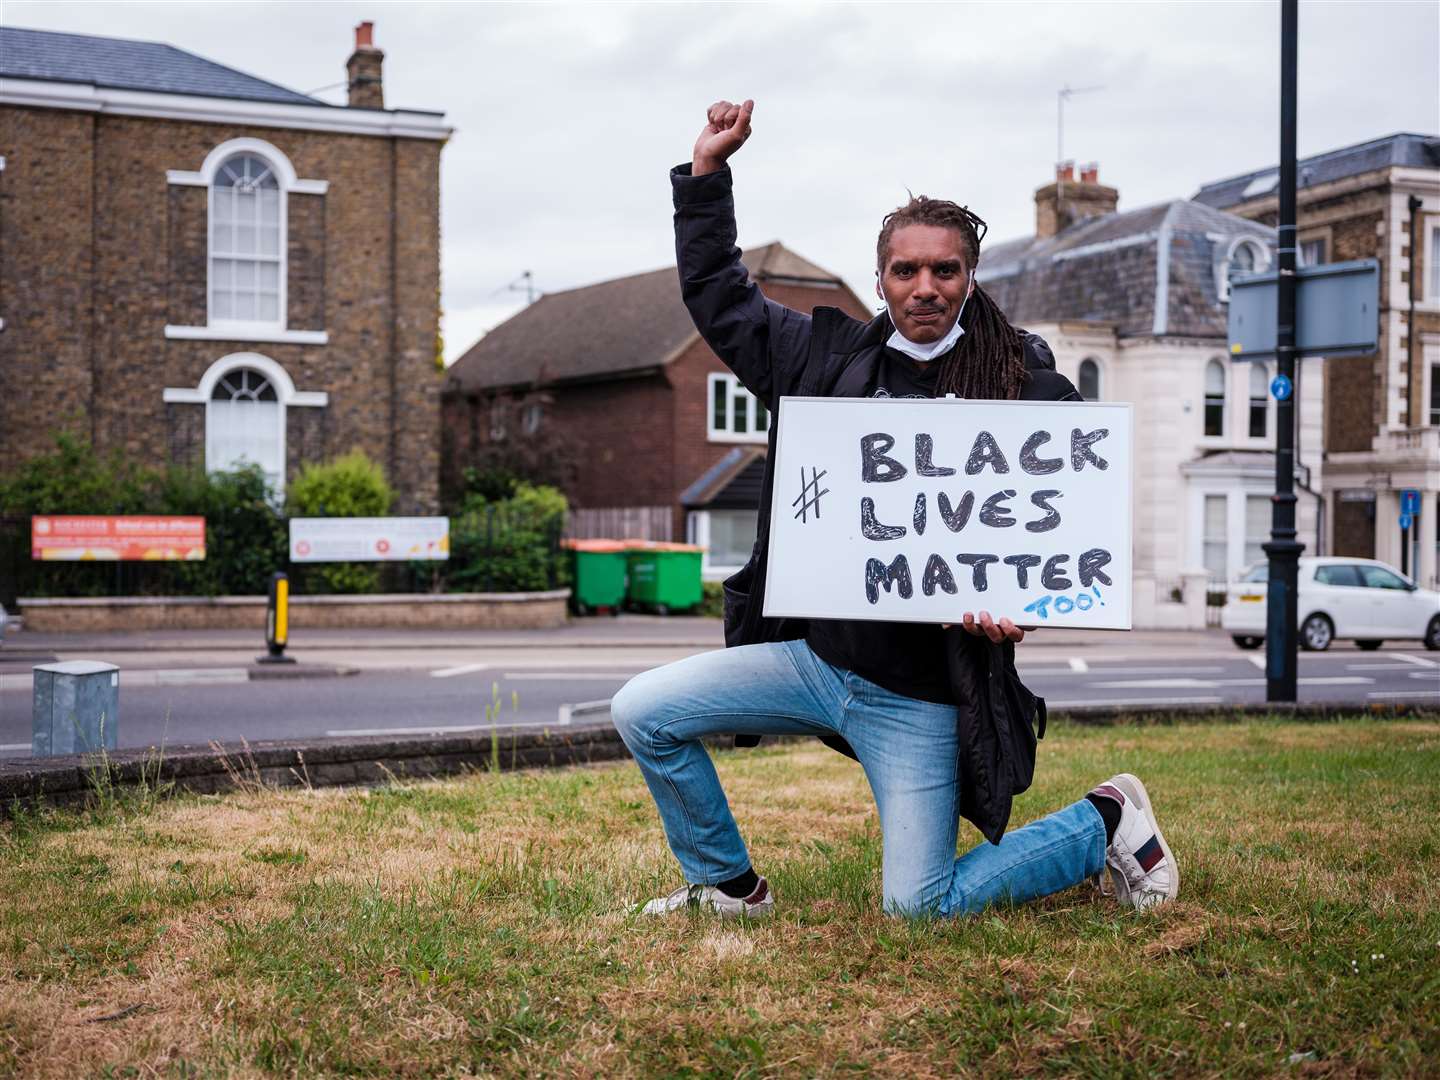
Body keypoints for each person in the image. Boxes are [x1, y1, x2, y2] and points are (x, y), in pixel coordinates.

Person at [610, 99, 1178, 919]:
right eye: (905, 271)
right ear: (880, 278)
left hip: (921, 698)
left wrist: (1022, 612)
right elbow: (720, 299)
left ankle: (1105, 821)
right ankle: (729, 888)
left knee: (918, 907)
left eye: (944, 270)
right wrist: (707, 175)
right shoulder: (823, 357)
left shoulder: (1028, 393)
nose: (924, 288)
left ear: (970, 277)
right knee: (644, 712)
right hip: (814, 665)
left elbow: (1062, 539)